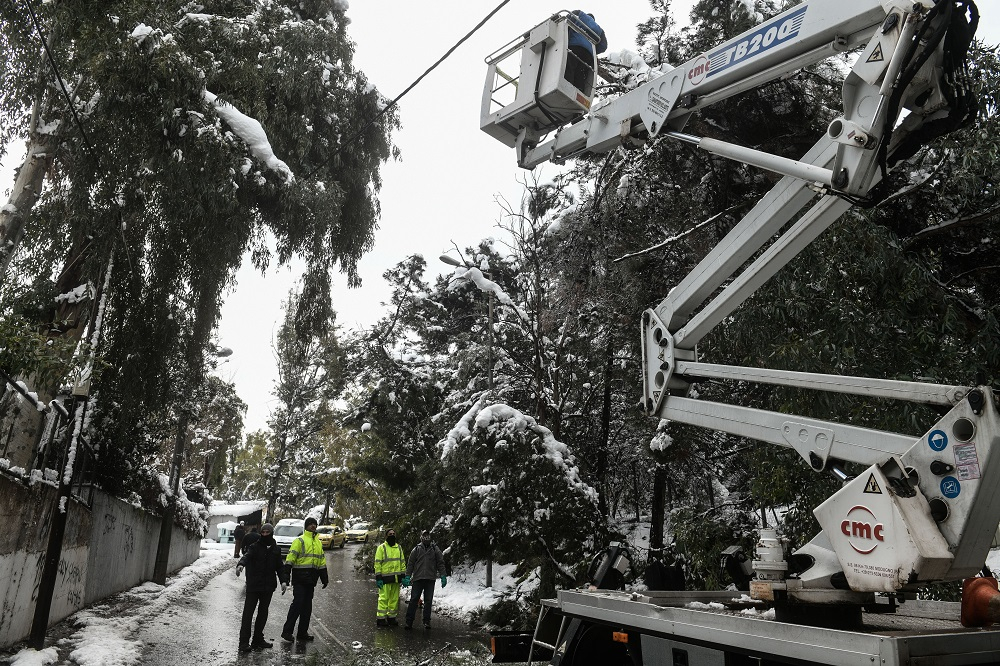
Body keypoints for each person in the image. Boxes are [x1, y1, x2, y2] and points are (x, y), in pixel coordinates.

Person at [235, 523, 288, 652]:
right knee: (248, 614)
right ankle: (243, 642)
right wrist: (241, 564)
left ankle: (257, 640)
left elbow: (280, 567)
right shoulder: (255, 546)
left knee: (263, 614)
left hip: (268, 587)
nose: (265, 535)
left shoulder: (276, 549)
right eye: (263, 532)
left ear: (271, 533)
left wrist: (284, 581)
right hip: (254, 585)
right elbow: (247, 556)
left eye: (267, 532)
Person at [280, 517, 328, 642]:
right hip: (300, 579)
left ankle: (302, 633)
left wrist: (324, 578)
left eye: (314, 524)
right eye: (310, 524)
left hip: (311, 580)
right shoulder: (300, 541)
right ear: (306, 526)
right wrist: (286, 577)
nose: (313, 526)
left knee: (307, 608)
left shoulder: (318, 542)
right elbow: (290, 560)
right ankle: (287, 631)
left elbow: (321, 561)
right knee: (297, 604)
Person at [403, 530, 447, 630]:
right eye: (424, 536)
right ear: (421, 538)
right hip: (418, 578)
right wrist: (407, 576)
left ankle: (426, 621)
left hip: (430, 579)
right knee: (414, 599)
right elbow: (411, 564)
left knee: (428, 600)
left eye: (428, 536)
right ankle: (409, 621)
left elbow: (440, 562)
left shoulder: (435, 549)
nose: (426, 538)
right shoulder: (416, 549)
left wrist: (443, 575)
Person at [565, 11, 607, 94]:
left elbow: (566, 20)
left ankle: (566, 87)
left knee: (569, 66)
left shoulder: (580, 14)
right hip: (588, 54)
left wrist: (567, 38)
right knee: (580, 72)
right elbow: (603, 46)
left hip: (575, 46)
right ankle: (579, 91)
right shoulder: (599, 29)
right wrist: (593, 50)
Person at [374, 528, 407, 627]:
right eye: (390, 534)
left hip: (396, 579)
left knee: (394, 599)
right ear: (386, 536)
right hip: (385, 579)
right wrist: (378, 578)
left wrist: (403, 576)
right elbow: (377, 564)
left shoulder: (399, 548)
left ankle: (391, 617)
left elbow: (402, 563)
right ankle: (381, 619)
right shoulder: (382, 548)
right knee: (383, 599)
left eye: (393, 533)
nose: (392, 535)